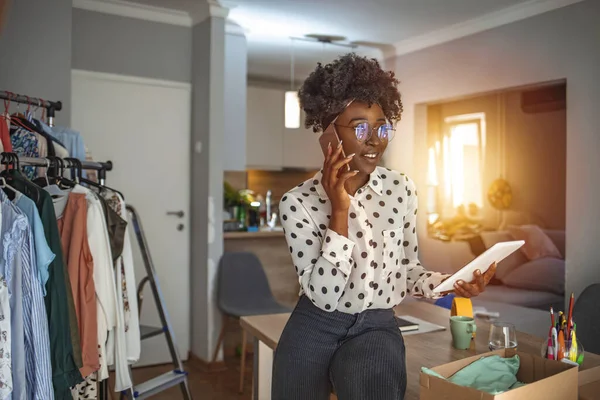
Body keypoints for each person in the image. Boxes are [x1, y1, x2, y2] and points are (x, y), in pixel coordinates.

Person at [272, 53, 497, 400]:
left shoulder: (401, 188)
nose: (375, 139)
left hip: (376, 326)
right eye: (360, 127)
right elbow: (325, 296)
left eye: (382, 126)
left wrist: (453, 284)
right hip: (314, 328)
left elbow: (407, 269)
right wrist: (339, 211)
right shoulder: (296, 203)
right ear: (330, 131)